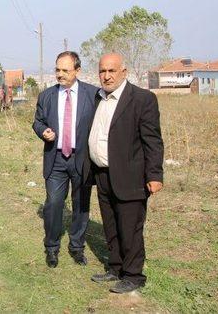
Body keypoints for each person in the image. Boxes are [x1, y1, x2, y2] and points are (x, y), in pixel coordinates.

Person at [86, 53, 164, 293]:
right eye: (102, 71)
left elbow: (152, 141)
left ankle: (133, 276)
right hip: (103, 174)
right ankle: (116, 268)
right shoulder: (98, 98)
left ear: (123, 72)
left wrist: (154, 175)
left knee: (130, 227)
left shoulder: (142, 99)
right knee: (111, 225)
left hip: (130, 176)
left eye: (111, 71)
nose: (106, 76)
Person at [32, 51, 98, 268]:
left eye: (65, 70)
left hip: (82, 159)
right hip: (56, 159)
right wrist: (43, 132)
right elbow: (38, 122)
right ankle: (51, 248)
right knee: (53, 204)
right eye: (57, 70)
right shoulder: (46, 96)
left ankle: (76, 247)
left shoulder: (93, 94)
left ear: (77, 71)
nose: (60, 74)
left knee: (81, 205)